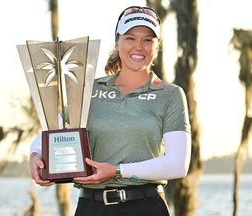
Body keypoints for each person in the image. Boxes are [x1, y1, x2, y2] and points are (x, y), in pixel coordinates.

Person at [29, 5, 191, 216]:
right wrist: (36, 154)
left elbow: (178, 163)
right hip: (92, 208)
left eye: (148, 40)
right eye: (130, 38)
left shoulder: (170, 95)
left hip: (146, 207)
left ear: (157, 47)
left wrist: (116, 171)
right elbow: (53, 132)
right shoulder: (90, 90)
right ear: (117, 42)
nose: (139, 46)